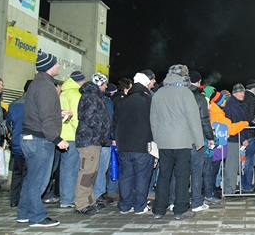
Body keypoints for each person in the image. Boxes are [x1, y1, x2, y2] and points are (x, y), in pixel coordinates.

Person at [17, 51, 69, 227]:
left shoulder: (38, 83)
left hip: (32, 137)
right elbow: (46, 117)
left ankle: (24, 213)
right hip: (40, 140)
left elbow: (41, 112)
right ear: (49, 67)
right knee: (39, 180)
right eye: (56, 64)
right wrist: (56, 138)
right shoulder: (47, 87)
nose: (59, 67)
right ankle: (37, 217)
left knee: (32, 178)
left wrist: (59, 114)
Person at [150, 64, 203, 221]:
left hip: (164, 142)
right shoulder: (185, 93)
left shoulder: (158, 94)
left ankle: (159, 209)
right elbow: (193, 119)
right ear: (183, 76)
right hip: (182, 141)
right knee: (182, 175)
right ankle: (180, 209)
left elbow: (153, 119)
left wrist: (157, 139)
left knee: (164, 175)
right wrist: (199, 140)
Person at [114, 72, 155, 215]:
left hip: (124, 145)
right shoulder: (148, 100)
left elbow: (116, 122)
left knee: (126, 175)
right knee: (142, 176)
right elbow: (154, 123)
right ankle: (139, 205)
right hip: (142, 145)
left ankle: (125, 205)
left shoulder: (122, 100)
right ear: (145, 84)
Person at [202, 88, 249, 203]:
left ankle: (208, 192)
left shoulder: (212, 111)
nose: (225, 102)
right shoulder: (218, 115)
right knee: (212, 170)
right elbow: (231, 129)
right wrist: (245, 123)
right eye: (223, 100)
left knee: (209, 170)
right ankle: (210, 193)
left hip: (212, 146)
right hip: (216, 146)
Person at [74, 73, 111, 215]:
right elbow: (89, 118)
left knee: (92, 172)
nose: (106, 86)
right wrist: (102, 128)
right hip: (89, 140)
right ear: (99, 83)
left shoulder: (94, 96)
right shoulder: (91, 97)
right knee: (86, 173)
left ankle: (90, 201)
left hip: (93, 140)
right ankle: (82, 204)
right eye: (105, 83)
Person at [58, 70, 85, 209]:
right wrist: (81, 132)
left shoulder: (64, 92)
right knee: (72, 168)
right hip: (73, 135)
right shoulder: (76, 93)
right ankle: (68, 198)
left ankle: (65, 196)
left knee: (66, 167)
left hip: (63, 134)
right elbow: (76, 117)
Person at [188, 71, 214, 212]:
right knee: (197, 171)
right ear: (198, 82)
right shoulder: (199, 98)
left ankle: (174, 200)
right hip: (197, 139)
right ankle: (197, 201)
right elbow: (204, 120)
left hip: (181, 139)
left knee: (179, 172)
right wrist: (210, 137)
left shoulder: (181, 95)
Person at [7, 80, 32, 208]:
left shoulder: (13, 104)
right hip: (29, 143)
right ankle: (24, 200)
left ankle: (14, 199)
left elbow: (8, 125)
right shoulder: (33, 104)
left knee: (17, 172)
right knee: (28, 173)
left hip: (16, 143)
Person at [222, 83, 248, 195]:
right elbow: (235, 122)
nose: (243, 94)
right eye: (241, 92)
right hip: (233, 138)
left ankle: (230, 188)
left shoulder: (235, 103)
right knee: (231, 165)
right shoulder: (233, 105)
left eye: (243, 92)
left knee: (232, 165)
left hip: (235, 137)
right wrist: (242, 138)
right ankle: (229, 190)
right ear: (235, 93)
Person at [241, 78, 255, 193]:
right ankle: (247, 185)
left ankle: (244, 183)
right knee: (250, 161)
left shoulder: (243, 98)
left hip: (243, 133)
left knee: (244, 161)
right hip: (252, 133)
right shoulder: (252, 99)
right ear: (254, 87)